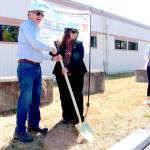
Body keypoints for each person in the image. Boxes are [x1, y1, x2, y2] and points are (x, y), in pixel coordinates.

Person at [13, 2, 62, 143]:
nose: (40, 16)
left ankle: (33, 125)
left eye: (42, 14)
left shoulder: (36, 29)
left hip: (36, 67)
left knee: (35, 98)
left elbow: (38, 51)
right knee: (25, 99)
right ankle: (19, 131)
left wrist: (53, 57)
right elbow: (35, 43)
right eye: (37, 13)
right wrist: (52, 48)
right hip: (26, 67)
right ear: (29, 13)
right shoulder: (26, 25)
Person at [53, 24, 87, 124]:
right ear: (67, 32)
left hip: (76, 72)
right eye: (73, 31)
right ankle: (66, 116)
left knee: (77, 94)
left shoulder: (79, 44)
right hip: (61, 73)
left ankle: (77, 116)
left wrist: (68, 68)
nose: (75, 33)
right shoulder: (60, 44)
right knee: (64, 95)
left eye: (76, 32)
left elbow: (79, 58)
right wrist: (54, 51)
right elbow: (54, 54)